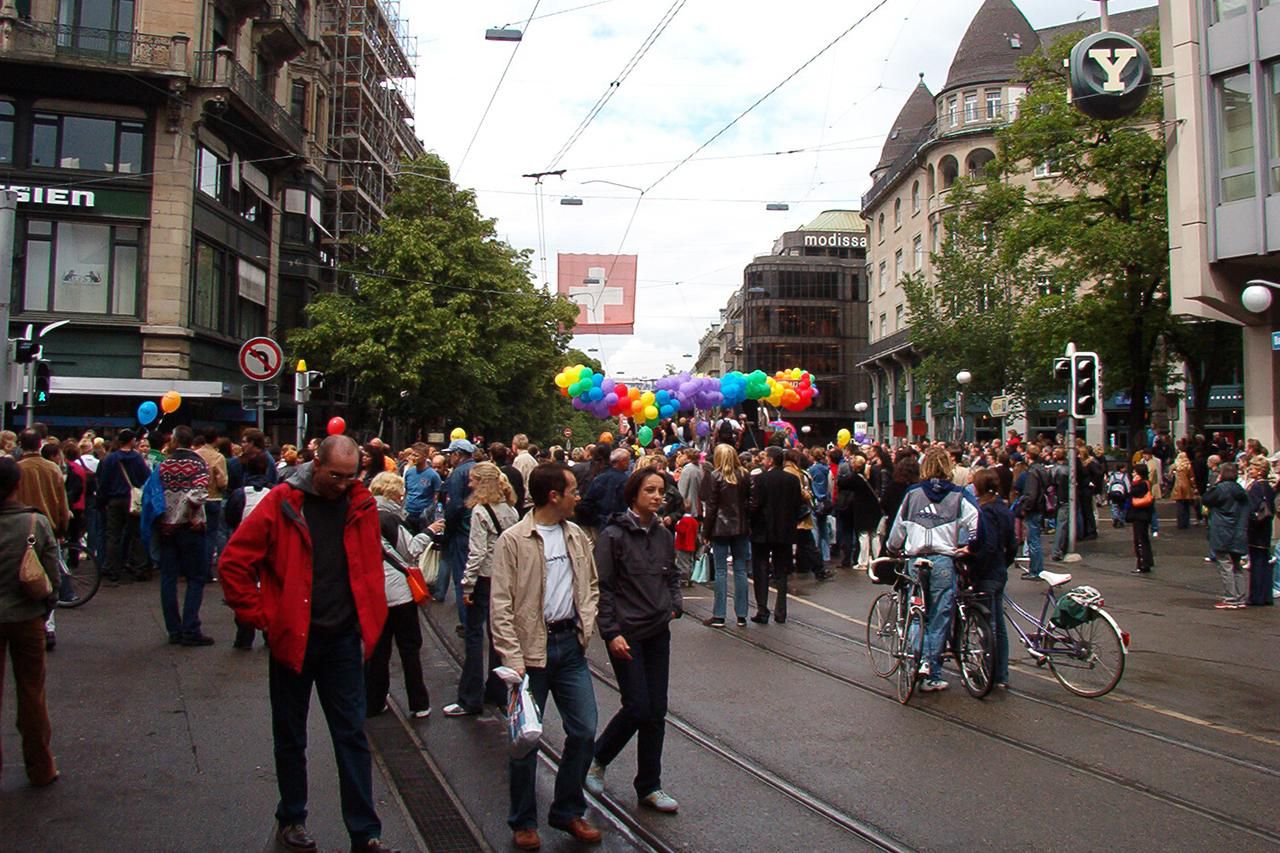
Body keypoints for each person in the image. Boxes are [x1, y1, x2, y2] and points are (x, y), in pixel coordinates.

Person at [219, 436, 399, 853]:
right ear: (315, 464)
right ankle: (293, 818)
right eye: (335, 476)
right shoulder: (283, 501)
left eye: (350, 477)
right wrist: (260, 617)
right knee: (291, 734)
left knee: (352, 734)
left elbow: (368, 565)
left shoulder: (361, 503)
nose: (342, 484)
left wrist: (370, 619)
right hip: (293, 638)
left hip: (341, 639)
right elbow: (233, 563)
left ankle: (365, 832)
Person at [489, 463, 602, 850]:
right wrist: (512, 655)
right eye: (573, 490)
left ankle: (567, 810)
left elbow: (589, 585)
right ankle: (523, 821)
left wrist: (585, 622)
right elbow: (501, 602)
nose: (578, 496)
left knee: (585, 729)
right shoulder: (514, 539)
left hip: (569, 645)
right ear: (554, 495)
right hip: (529, 652)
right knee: (526, 740)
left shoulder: (576, 536)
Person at [586, 466, 682, 814]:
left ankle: (649, 785)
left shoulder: (662, 535)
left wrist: (674, 605)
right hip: (627, 633)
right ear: (634, 494)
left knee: (656, 710)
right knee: (638, 705)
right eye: (651, 491)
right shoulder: (613, 536)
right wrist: (610, 632)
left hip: (658, 630)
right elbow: (603, 588)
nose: (658, 497)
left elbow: (672, 575)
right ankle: (598, 757)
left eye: (661, 491)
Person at [885, 446, 980, 692]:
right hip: (943, 561)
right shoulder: (959, 495)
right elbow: (976, 522)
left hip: (915, 560)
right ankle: (930, 666)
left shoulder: (913, 494)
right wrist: (970, 545)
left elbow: (898, 529)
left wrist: (893, 548)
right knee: (939, 616)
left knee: (917, 612)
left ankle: (918, 661)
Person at [0, 457, 61, 787]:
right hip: (26, 616)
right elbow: (52, 574)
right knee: (31, 693)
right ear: (16, 485)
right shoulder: (34, 524)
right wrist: (45, 605)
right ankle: (40, 766)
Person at [444, 462, 519, 717]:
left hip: (484, 578)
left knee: (475, 638)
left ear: (482, 483)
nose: (469, 484)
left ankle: (470, 697)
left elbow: (476, 553)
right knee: (498, 635)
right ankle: (497, 690)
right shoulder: (510, 510)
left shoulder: (479, 512)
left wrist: (467, 585)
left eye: (473, 480)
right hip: (505, 578)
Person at [365, 472, 431, 719]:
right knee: (410, 648)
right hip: (399, 593)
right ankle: (418, 702)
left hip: (374, 591)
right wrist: (431, 532)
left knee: (378, 650)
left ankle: (374, 700)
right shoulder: (391, 518)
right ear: (393, 494)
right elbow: (411, 549)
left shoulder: (362, 515)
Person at [146, 426, 214, 646]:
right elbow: (200, 492)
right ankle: (190, 627)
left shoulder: (163, 465)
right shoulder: (198, 464)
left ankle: (173, 629)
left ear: (174, 440)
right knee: (195, 578)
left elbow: (153, 492)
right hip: (191, 527)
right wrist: (190, 513)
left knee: (168, 578)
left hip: (167, 527)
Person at [970, 469, 1015, 688]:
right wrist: (1003, 563)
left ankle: (987, 671)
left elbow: (986, 545)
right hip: (999, 571)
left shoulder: (984, 512)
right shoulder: (1005, 509)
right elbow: (1013, 545)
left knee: (986, 625)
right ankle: (1001, 674)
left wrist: (974, 563)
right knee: (999, 625)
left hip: (986, 572)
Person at [701, 443, 752, 627]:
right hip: (741, 527)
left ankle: (719, 615)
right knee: (740, 570)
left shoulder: (714, 476)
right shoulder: (744, 475)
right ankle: (741, 614)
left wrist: (705, 532)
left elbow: (711, 506)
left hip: (720, 528)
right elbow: (750, 502)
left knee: (721, 571)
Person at [748, 446, 802, 624]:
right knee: (781, 571)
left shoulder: (761, 479)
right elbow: (797, 505)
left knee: (761, 569)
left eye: (765, 458)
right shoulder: (792, 480)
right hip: (785, 530)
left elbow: (755, 505)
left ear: (770, 460)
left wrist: (750, 520)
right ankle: (781, 610)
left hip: (763, 530)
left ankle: (762, 609)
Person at [96, 429, 152, 584]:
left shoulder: (111, 459)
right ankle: (139, 567)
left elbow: (104, 482)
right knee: (136, 535)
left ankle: (113, 569)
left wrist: (102, 500)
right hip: (132, 500)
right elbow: (147, 477)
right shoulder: (138, 458)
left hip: (114, 500)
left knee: (113, 535)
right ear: (132, 441)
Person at [1202, 462, 1251, 609]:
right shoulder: (1240, 490)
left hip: (1223, 530)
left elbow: (1206, 499)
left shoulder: (1220, 489)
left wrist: (1214, 484)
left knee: (1225, 564)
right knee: (1236, 565)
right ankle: (1240, 597)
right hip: (1238, 530)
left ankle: (1230, 598)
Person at [1244, 457, 1275, 606]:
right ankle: (1266, 595)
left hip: (1256, 529)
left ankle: (1256, 595)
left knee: (1256, 562)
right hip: (1266, 528)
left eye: (1252, 468)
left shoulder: (1255, 487)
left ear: (1259, 470)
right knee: (1265, 561)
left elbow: (1251, 509)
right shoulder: (1268, 486)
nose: (1250, 470)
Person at [1019, 445, 1049, 578]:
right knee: (1035, 539)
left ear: (1028, 456)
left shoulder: (1032, 472)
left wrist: (1025, 508)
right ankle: (1037, 569)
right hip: (1040, 507)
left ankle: (1035, 571)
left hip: (1034, 509)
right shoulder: (1042, 469)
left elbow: (1031, 494)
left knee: (1033, 540)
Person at [401, 443, 442, 534]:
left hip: (423, 515)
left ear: (425, 456)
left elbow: (437, 498)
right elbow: (406, 492)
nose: (412, 457)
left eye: (416, 455)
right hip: (408, 513)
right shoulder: (409, 472)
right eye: (412, 454)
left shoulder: (433, 475)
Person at [1127, 462, 1155, 575]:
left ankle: (1143, 563)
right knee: (1143, 539)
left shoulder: (1141, 484)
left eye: (1134, 472)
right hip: (1144, 515)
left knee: (1140, 539)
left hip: (1140, 515)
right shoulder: (1146, 483)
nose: (1133, 473)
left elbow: (1132, 493)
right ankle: (1146, 562)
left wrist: (1134, 482)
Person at [1170, 451, 1198, 530]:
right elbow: (1191, 477)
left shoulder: (1175, 466)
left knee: (1179, 506)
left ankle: (1180, 523)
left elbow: (1169, 475)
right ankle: (1186, 522)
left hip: (1178, 486)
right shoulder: (1188, 466)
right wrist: (1194, 486)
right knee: (1186, 505)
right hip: (1187, 486)